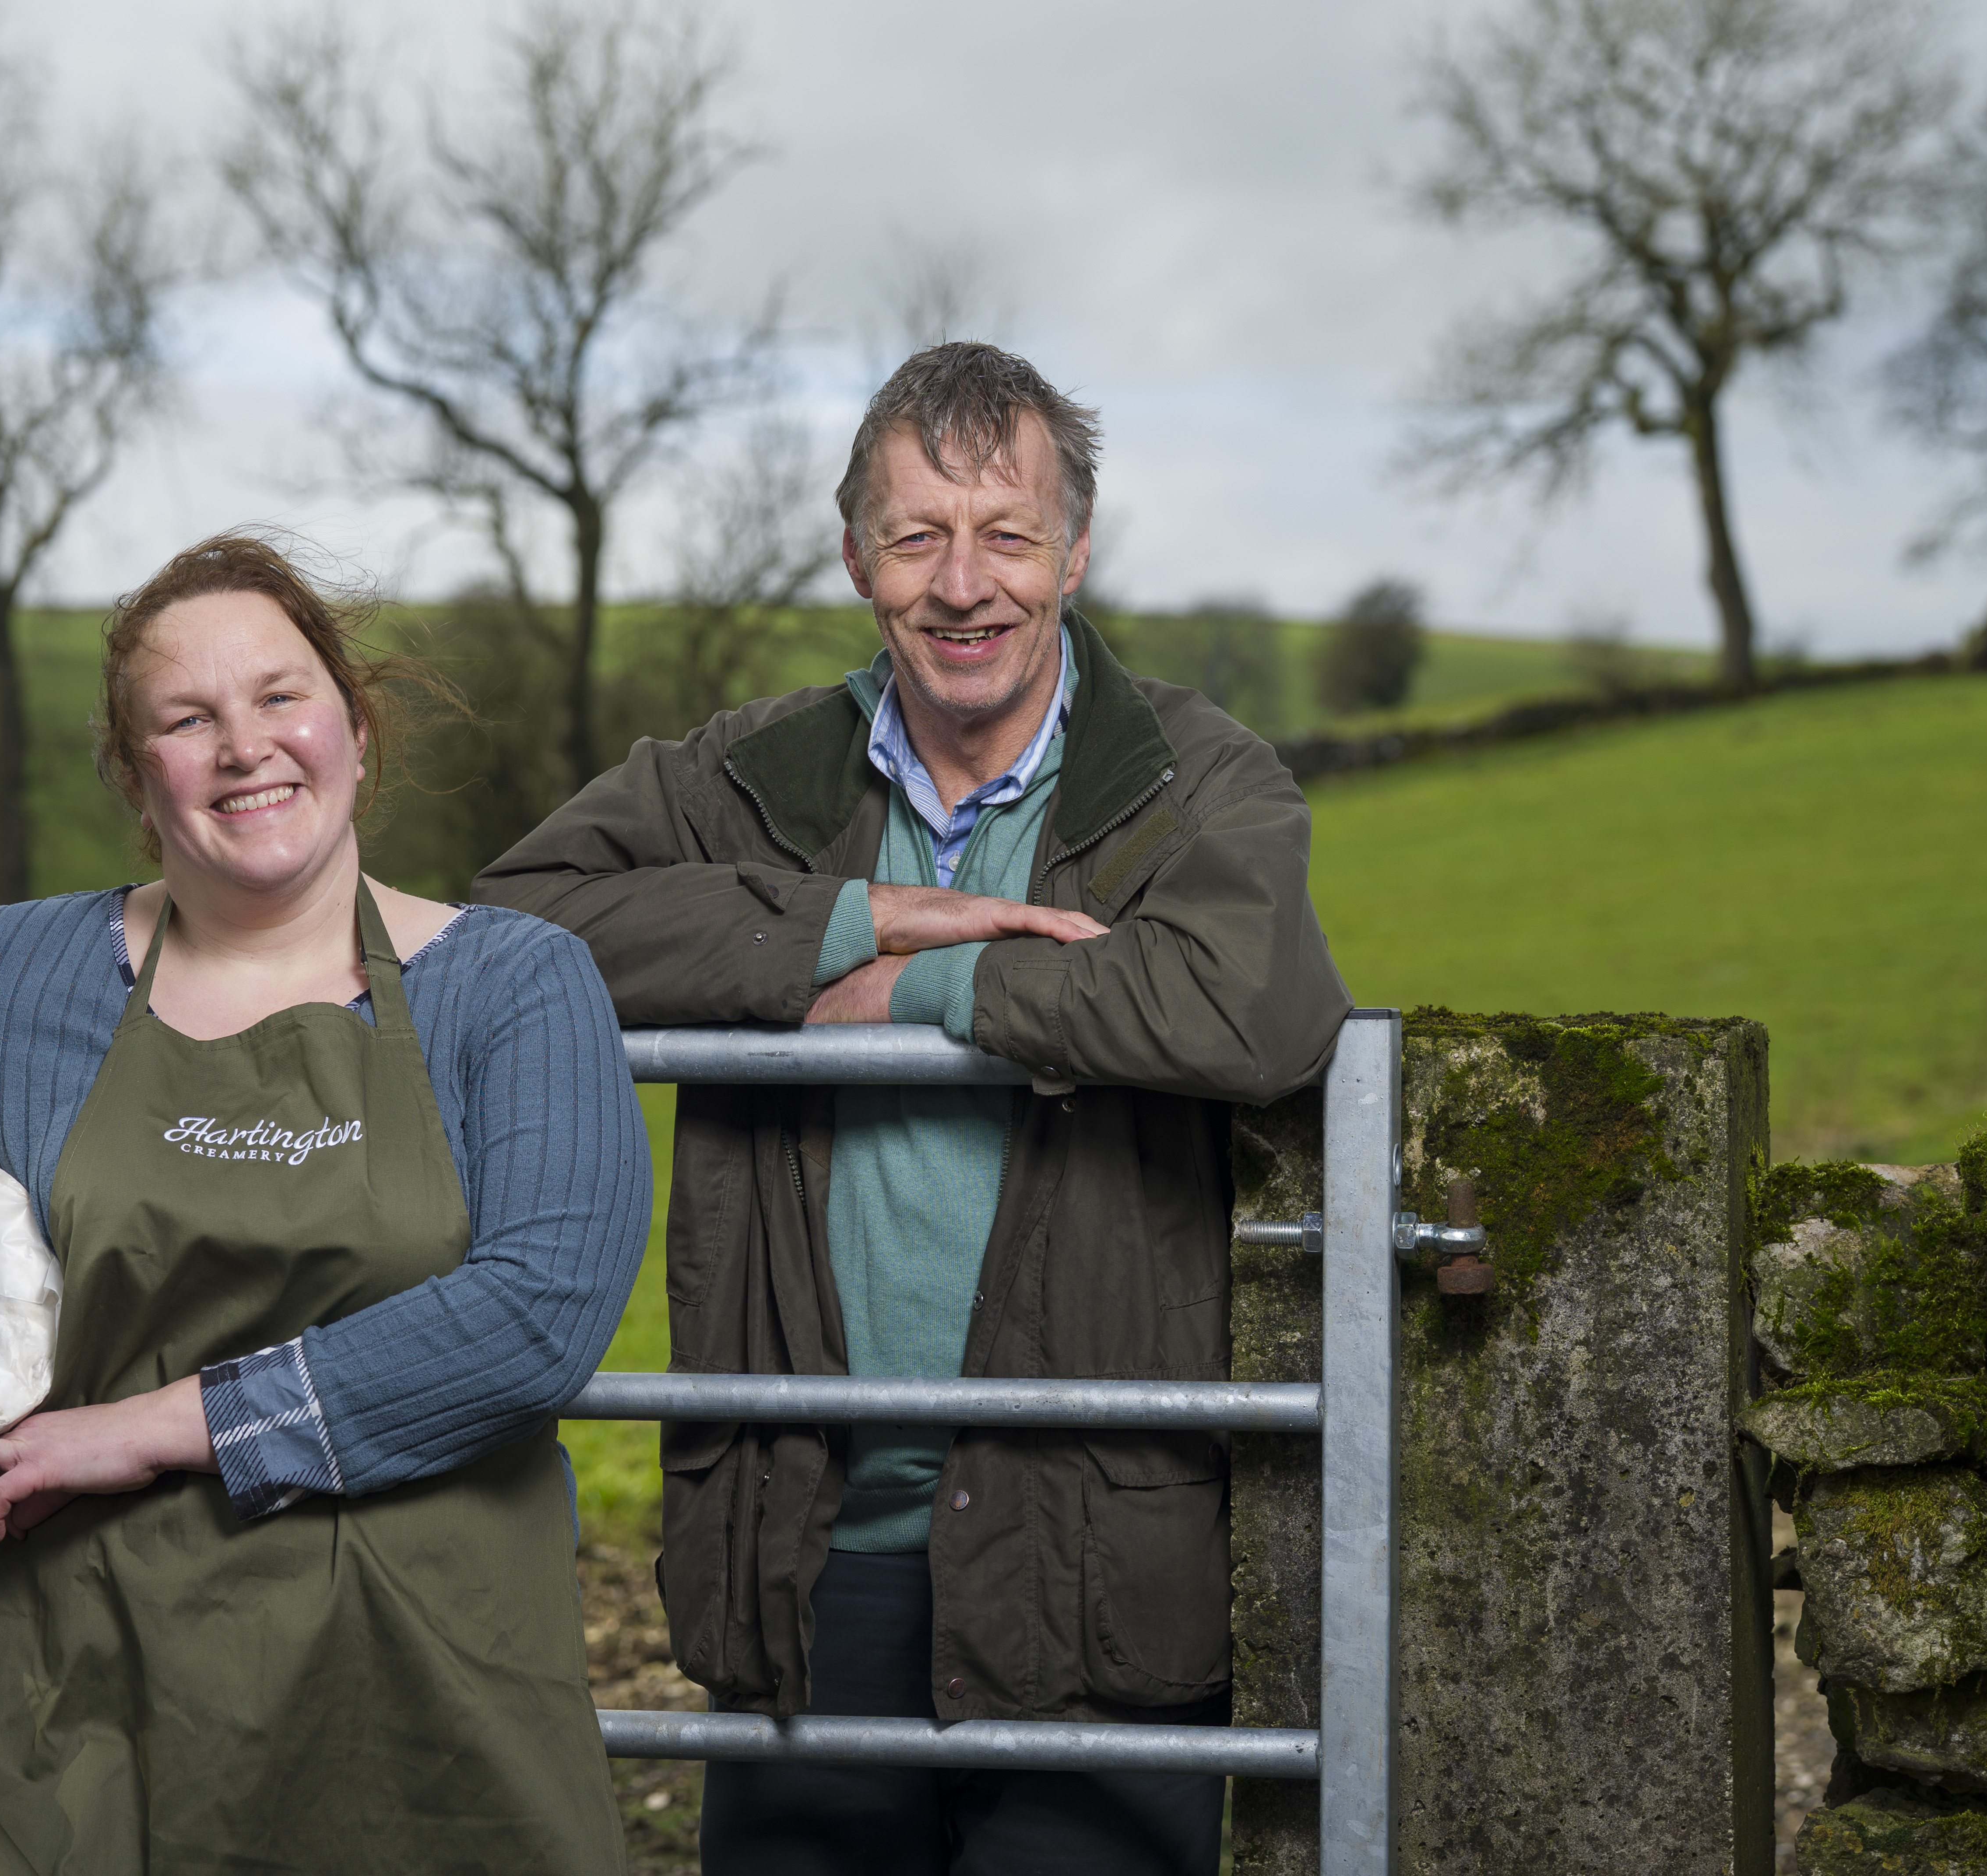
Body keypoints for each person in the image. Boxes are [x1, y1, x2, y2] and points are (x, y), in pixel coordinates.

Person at [0, 533, 646, 1876]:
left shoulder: (511, 985)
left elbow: (538, 1317)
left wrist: (156, 1430)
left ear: (352, 724)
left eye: (280, 697)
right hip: (62, 1698)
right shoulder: (11, 979)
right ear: (134, 774)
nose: (244, 747)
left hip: (419, 1698)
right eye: (187, 718)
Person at [473, 341, 1351, 1876]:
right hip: (803, 1548)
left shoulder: (1196, 781)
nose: (964, 585)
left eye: (1007, 534)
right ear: (853, 557)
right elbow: (518, 926)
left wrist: (930, 995)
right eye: (916, 536)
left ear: (1073, 552)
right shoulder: (745, 778)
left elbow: (1248, 1005)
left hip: (1092, 1544)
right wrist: (847, 922)